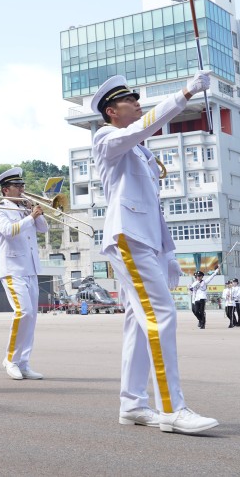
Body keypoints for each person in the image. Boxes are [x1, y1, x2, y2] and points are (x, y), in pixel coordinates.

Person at [89, 71, 218, 434]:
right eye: (130, 100)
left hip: (146, 240)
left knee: (137, 319)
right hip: (128, 236)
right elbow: (141, 128)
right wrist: (185, 93)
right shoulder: (107, 138)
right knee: (162, 316)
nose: (138, 103)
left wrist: (170, 252)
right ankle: (172, 408)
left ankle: (132, 404)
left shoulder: (141, 152)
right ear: (112, 111)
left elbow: (153, 206)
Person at [0, 167, 47, 380]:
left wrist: (36, 212)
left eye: (22, 185)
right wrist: (30, 216)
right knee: (23, 312)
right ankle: (11, 359)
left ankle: (24, 362)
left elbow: (44, 229)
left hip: (31, 268)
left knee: (31, 318)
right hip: (13, 269)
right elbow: (9, 231)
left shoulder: (25, 208)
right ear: (6, 190)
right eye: (18, 186)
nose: (22, 189)